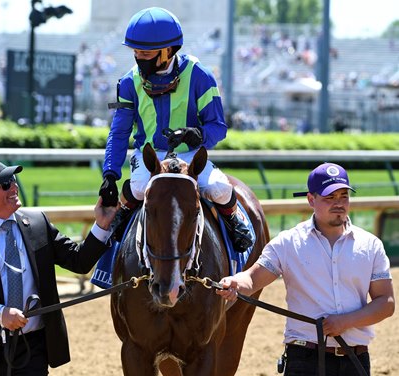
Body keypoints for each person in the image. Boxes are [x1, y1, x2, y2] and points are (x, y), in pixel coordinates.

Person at [0, 158, 118, 375]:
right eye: (5, 184)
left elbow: (78, 261)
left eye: (13, 180)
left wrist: (101, 226)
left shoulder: (37, 223)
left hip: (33, 350)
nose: (14, 187)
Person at [217, 162, 395, 376]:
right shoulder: (287, 243)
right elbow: (253, 279)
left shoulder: (371, 245)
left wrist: (345, 322)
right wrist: (235, 283)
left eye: (343, 196)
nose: (339, 203)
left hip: (355, 360)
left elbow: (386, 302)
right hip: (304, 359)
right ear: (311, 199)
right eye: (330, 197)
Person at [99, 7, 252, 252]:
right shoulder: (128, 82)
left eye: (145, 52)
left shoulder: (200, 75)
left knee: (220, 189)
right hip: (148, 156)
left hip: (189, 155)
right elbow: (118, 133)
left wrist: (198, 134)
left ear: (168, 50)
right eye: (135, 52)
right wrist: (110, 174)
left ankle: (235, 222)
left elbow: (218, 127)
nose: (138, 58)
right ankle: (115, 249)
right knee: (138, 188)